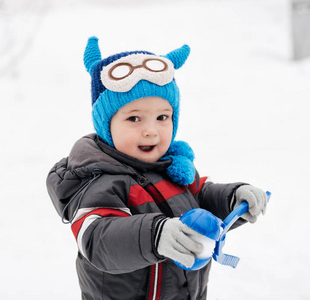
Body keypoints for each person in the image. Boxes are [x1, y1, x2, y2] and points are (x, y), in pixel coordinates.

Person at [47, 37, 267, 300]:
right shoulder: (100, 181)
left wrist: (233, 198)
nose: (151, 131)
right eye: (134, 118)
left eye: (162, 117)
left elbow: (201, 199)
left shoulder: (174, 167)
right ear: (106, 125)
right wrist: (155, 235)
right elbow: (97, 239)